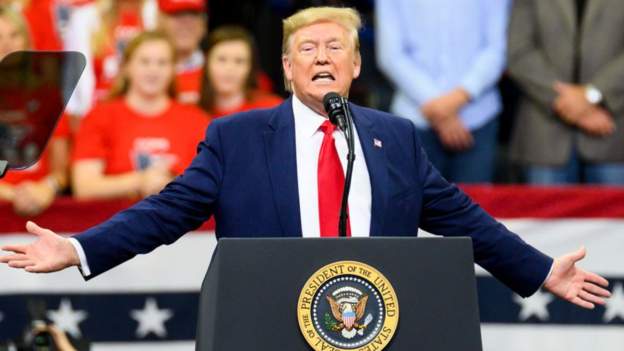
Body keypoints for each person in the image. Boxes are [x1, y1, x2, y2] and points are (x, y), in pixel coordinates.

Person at [0, 7, 610, 309]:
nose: (322, 56)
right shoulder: (236, 138)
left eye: (335, 47)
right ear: (289, 68)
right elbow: (166, 212)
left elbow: (461, 217)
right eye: (307, 48)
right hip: (268, 323)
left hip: (377, 323)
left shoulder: (394, 136)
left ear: (355, 65)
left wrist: (539, 270)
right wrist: (77, 248)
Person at [376, 0, 510, 183]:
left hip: (478, 118)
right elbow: (391, 56)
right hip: (414, 119)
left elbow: (497, 50)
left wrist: (456, 99)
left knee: (475, 206)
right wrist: (442, 110)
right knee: (415, 208)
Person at [70, 31, 209, 200]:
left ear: (173, 69)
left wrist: (169, 184)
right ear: (127, 67)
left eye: (162, 63)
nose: (153, 70)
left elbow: (208, 185)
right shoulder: (99, 116)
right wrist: (140, 181)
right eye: (144, 62)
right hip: (115, 222)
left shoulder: (196, 120)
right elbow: (84, 187)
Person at [507, 0, 624, 185]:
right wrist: (570, 104)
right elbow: (519, 52)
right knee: (543, 213)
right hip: (544, 134)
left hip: (613, 132)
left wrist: (592, 94)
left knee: (615, 214)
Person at [0, 6, 71, 217]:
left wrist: (47, 188)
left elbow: (61, 172)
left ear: (26, 41)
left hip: (45, 216)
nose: (7, 44)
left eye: (15, 35)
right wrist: (14, 195)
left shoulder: (50, 98)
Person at [63, 0, 155, 118]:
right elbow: (71, 81)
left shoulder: (160, 14)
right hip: (97, 116)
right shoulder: (84, 19)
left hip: (146, 116)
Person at [198, 25, 282, 118]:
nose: (229, 68)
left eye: (239, 61)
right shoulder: (193, 113)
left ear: (250, 67)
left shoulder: (273, 110)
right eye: (221, 59)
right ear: (206, 63)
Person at [157, 0, 207, 105]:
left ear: (203, 24)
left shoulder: (219, 71)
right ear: (160, 20)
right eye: (177, 15)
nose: (186, 23)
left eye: (193, 15)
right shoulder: (138, 71)